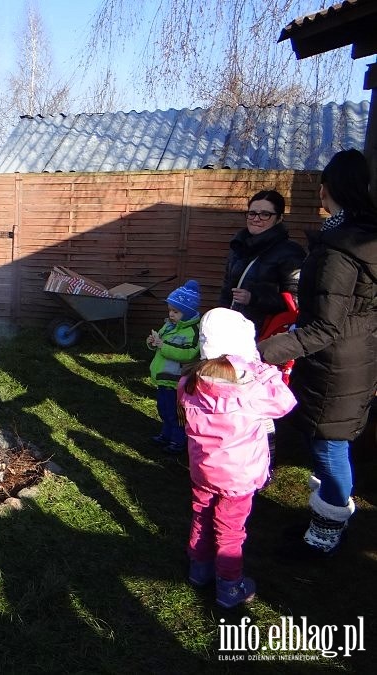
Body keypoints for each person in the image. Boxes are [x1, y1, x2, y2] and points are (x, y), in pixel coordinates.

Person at [258, 149, 377, 557]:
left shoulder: (340, 251)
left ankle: (327, 532)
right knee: (332, 443)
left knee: (329, 445)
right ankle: (326, 516)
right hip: (355, 358)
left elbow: (325, 326)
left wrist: (261, 352)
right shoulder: (364, 238)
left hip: (336, 367)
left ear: (328, 189)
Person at [180, 308, 296, 608]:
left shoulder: (189, 383)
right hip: (239, 477)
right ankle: (229, 587)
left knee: (202, 515)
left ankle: (199, 570)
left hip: (203, 470)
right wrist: (266, 369)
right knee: (230, 530)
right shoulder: (254, 388)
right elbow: (285, 403)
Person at [219, 190, 305, 334]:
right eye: (252, 213)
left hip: (267, 335)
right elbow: (227, 289)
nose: (256, 219)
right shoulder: (238, 248)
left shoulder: (290, 252)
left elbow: (296, 301)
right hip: (233, 331)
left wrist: (254, 298)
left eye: (265, 214)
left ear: (279, 218)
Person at [145, 279, 201, 453]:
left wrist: (163, 346)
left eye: (175, 312)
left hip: (176, 380)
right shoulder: (169, 326)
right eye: (170, 310)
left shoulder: (192, 332)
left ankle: (178, 441)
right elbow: (161, 343)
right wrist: (152, 343)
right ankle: (166, 435)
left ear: (188, 312)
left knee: (176, 413)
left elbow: (188, 353)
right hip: (163, 377)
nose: (171, 314)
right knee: (163, 409)